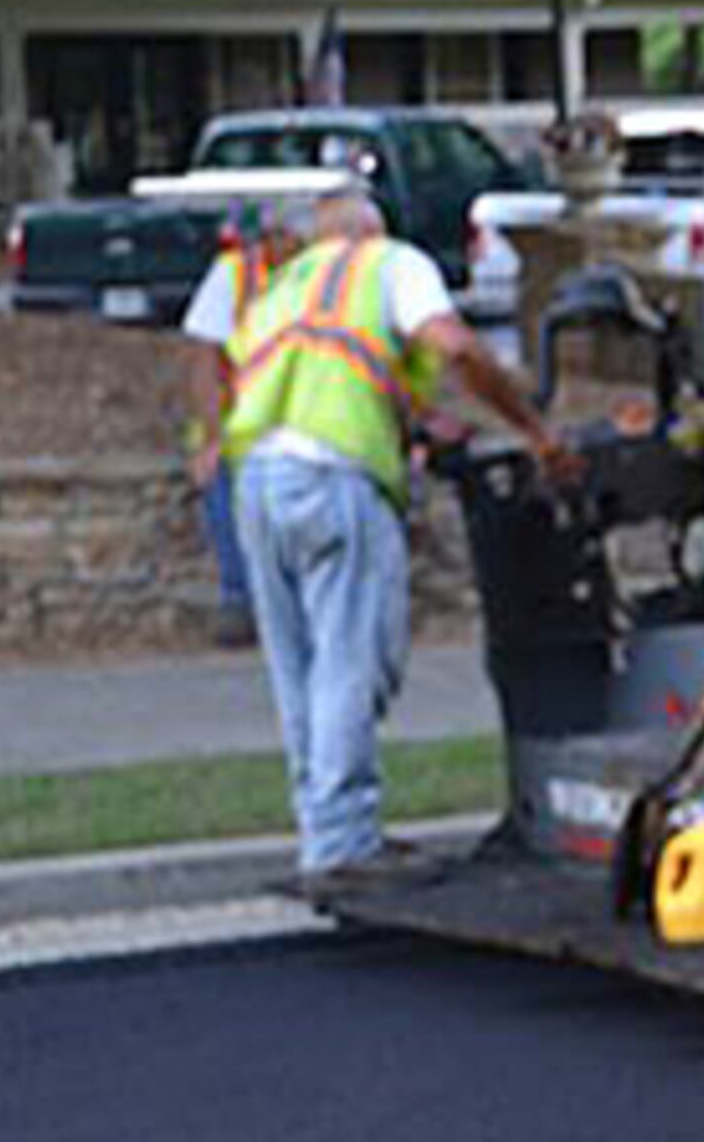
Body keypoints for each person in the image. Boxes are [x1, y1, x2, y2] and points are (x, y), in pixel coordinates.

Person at [221, 190, 558, 886]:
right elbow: (455, 344)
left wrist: (417, 418)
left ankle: (326, 829)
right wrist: (532, 428)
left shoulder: (282, 289)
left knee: (300, 670)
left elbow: (324, 374)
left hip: (256, 481)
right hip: (335, 479)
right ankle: (343, 841)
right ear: (371, 231)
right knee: (357, 655)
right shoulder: (389, 264)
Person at [178, 206, 295, 635]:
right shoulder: (233, 276)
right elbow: (205, 358)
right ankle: (240, 597)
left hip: (308, 418)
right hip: (241, 420)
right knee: (223, 479)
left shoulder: (328, 275)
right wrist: (211, 438)